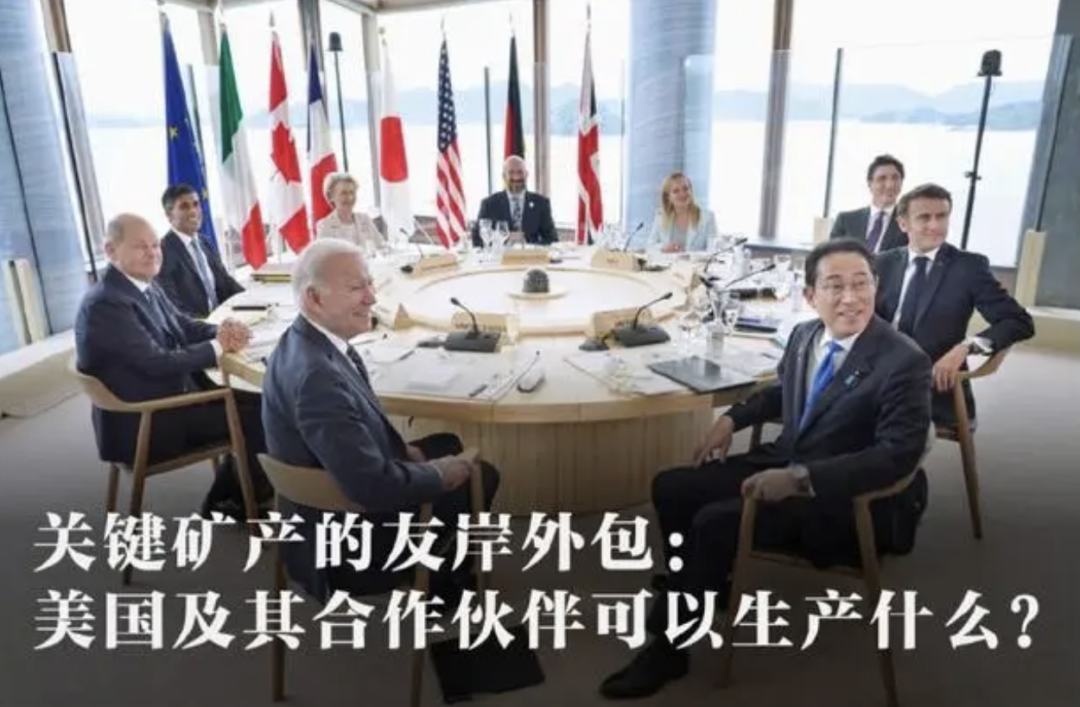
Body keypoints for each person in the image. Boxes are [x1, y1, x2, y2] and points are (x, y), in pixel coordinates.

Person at [598, 238, 933, 700]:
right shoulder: (805, 336)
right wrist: (732, 419)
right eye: (835, 286)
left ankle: (670, 647)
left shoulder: (905, 361)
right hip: (783, 459)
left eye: (861, 284)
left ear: (877, 287)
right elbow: (783, 391)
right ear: (811, 296)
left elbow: (896, 455)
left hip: (837, 500)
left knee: (714, 523)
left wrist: (801, 479)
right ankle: (699, 583)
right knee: (671, 487)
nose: (850, 298)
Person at [260, 238, 501, 603]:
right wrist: (439, 474)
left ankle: (437, 571)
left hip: (327, 501)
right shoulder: (317, 379)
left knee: (448, 443)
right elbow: (371, 486)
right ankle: (434, 584)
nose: (372, 298)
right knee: (481, 474)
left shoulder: (303, 340)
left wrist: (406, 453)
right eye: (356, 288)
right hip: (349, 543)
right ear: (314, 298)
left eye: (370, 284)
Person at [74, 213, 273, 519]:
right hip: (147, 422)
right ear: (110, 251)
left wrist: (221, 331)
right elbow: (157, 363)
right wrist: (219, 347)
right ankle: (235, 500)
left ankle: (232, 492)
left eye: (155, 245)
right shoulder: (107, 304)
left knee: (260, 399)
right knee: (263, 413)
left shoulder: (140, 284)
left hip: (166, 398)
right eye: (141, 246)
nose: (152, 253)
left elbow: (182, 325)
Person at [875, 183, 1034, 427]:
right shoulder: (881, 263)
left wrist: (967, 346)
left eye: (942, 216)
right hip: (878, 375)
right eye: (924, 217)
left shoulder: (969, 267)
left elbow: (1019, 321)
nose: (935, 225)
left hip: (933, 383)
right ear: (903, 224)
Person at [156, 184, 245, 318]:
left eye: (196, 204)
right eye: (184, 207)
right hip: (198, 327)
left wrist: (253, 301)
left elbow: (226, 283)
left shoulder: (205, 242)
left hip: (224, 319)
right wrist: (212, 327)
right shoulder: (162, 252)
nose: (193, 211)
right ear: (169, 215)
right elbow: (174, 310)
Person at [470, 155, 557, 247]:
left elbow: (552, 240)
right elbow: (477, 239)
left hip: (529, 255)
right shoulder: (489, 204)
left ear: (526, 175)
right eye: (511, 172)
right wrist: (504, 238)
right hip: (500, 256)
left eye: (520, 172)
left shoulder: (541, 203)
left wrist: (529, 246)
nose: (516, 177)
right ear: (504, 176)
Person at [829, 154, 909, 253]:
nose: (890, 185)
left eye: (895, 178)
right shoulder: (845, 221)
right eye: (882, 178)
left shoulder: (909, 223)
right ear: (870, 184)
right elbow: (831, 255)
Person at [641, 171, 717, 253]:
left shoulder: (708, 217)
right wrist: (664, 248)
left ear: (691, 190)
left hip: (698, 262)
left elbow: (714, 250)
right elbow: (650, 245)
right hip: (667, 261)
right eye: (676, 191)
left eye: (686, 189)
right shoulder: (661, 216)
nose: (682, 194)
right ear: (668, 197)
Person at [315, 172, 386, 253]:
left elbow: (382, 246)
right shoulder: (325, 226)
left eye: (352, 192)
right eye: (343, 193)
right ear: (330, 196)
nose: (349, 197)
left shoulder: (365, 218)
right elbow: (322, 258)